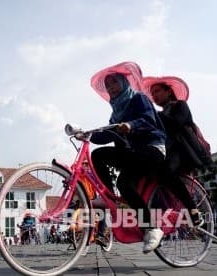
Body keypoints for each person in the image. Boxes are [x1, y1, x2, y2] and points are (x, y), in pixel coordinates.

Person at [90, 62, 166, 254]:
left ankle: (152, 228)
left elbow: (149, 120)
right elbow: (109, 134)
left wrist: (131, 125)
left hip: (152, 148)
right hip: (132, 153)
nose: (111, 88)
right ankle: (108, 198)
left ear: (123, 83)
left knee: (124, 182)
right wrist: (89, 135)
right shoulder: (116, 111)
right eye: (108, 86)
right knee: (97, 154)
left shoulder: (139, 99)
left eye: (114, 83)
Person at [142, 76, 213, 226]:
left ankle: (192, 209)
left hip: (181, 151)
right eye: (152, 93)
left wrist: (157, 116)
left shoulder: (180, 106)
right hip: (165, 152)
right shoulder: (157, 115)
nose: (154, 96)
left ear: (169, 92)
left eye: (158, 91)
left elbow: (177, 124)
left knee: (165, 171)